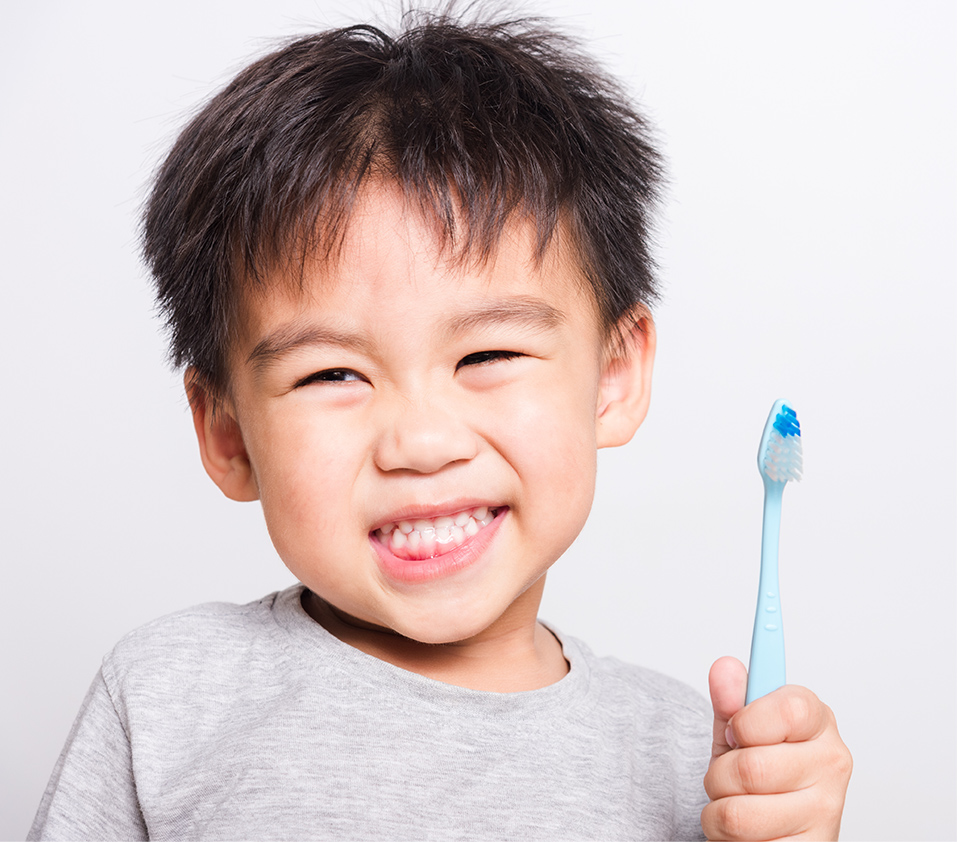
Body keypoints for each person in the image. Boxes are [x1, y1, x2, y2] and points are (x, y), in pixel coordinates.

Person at [28, 10, 851, 840]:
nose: (422, 443)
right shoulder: (170, 698)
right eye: (331, 373)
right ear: (227, 433)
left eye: (488, 355)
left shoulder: (695, 761)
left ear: (612, 375)